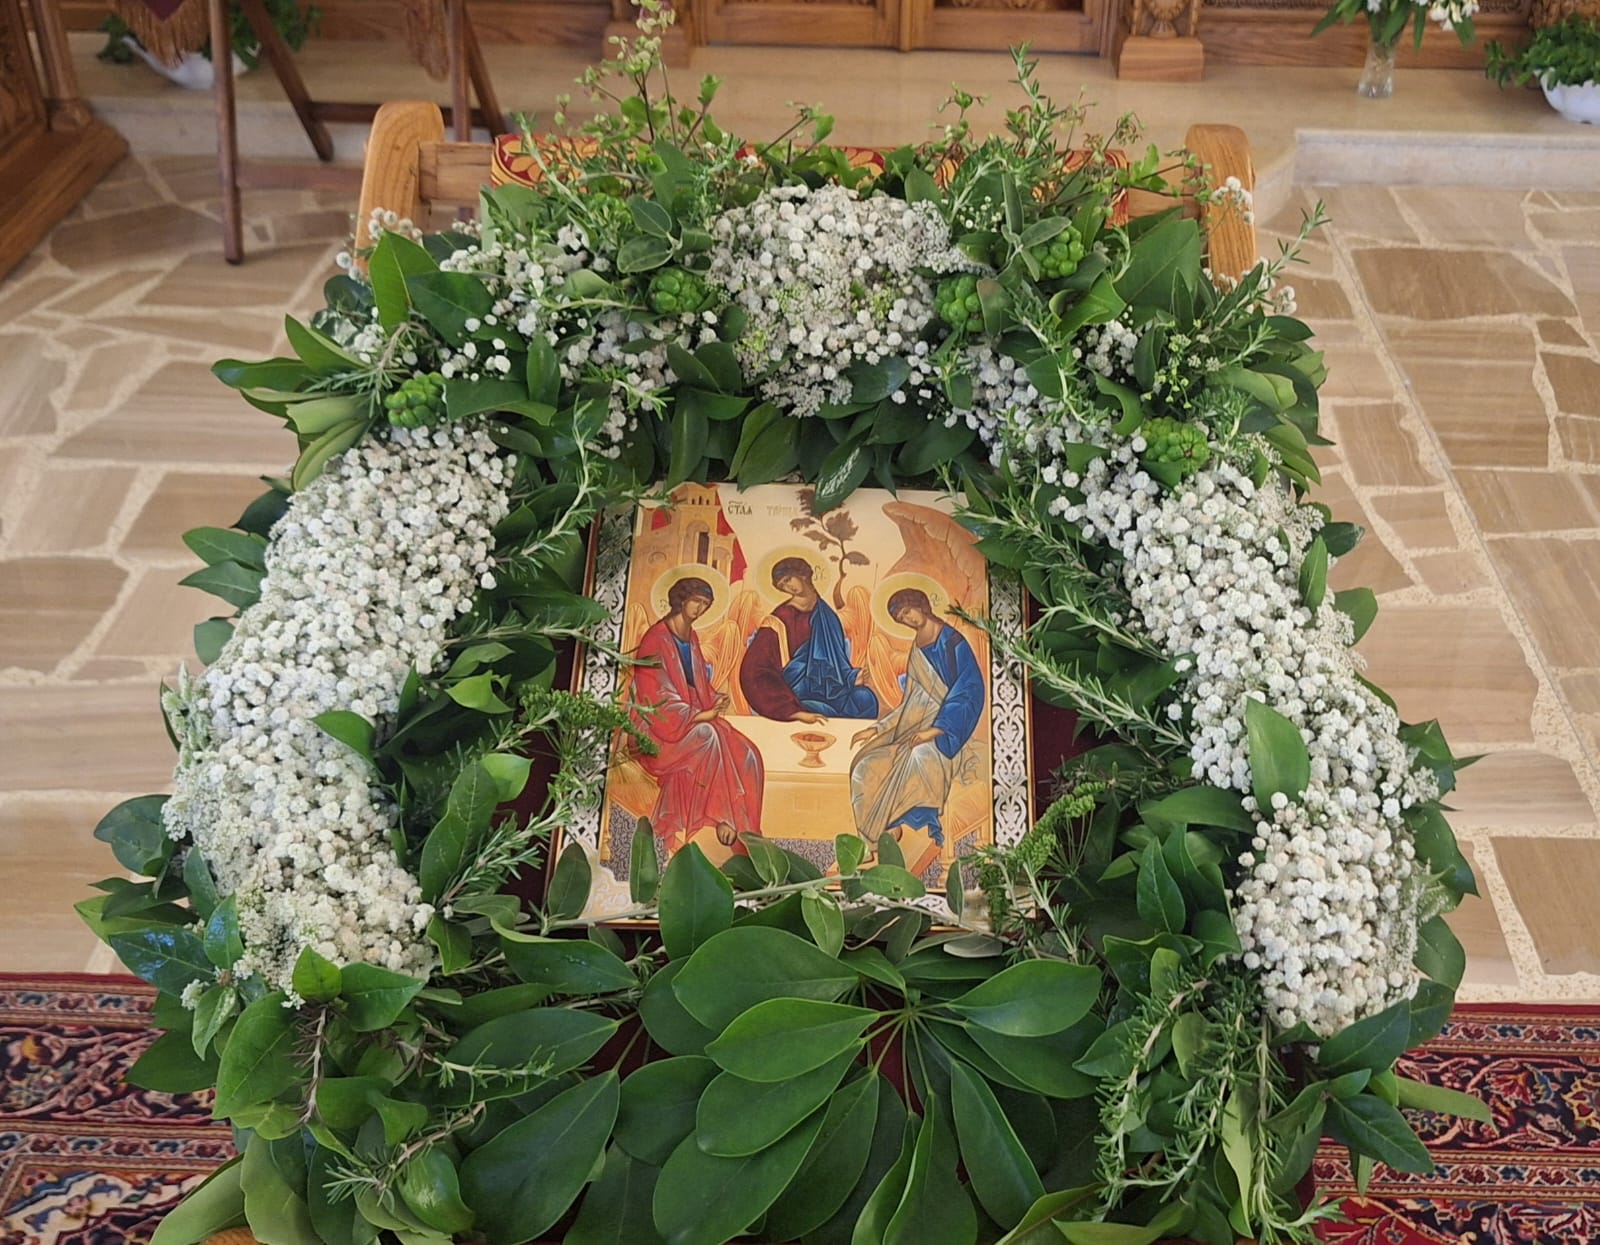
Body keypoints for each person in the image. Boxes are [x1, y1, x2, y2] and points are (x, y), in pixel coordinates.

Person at [629, 576, 765, 853]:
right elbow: (655, 696)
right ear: (681, 599)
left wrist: (714, 699)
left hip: (690, 715)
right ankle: (723, 817)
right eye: (696, 601)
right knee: (708, 735)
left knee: (748, 753)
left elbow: (698, 684)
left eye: (705, 604)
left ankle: (749, 837)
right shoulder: (655, 640)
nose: (700, 609)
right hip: (656, 727)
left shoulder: (690, 637)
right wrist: (699, 715)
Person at [848, 588, 983, 853]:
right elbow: (910, 702)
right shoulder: (917, 650)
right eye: (901, 618)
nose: (907, 620)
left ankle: (889, 825)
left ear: (921, 605)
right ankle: (875, 836)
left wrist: (935, 730)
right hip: (914, 728)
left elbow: (970, 690)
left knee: (917, 758)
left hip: (948, 734)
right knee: (865, 765)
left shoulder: (953, 642)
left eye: (907, 612)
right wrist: (877, 728)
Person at [740, 557, 880, 723]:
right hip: (798, 692)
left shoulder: (827, 616)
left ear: (803, 574)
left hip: (831, 690)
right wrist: (793, 712)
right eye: (782, 585)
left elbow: (838, 662)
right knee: (821, 711)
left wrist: (853, 677)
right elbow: (753, 670)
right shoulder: (780, 619)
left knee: (865, 699)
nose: (788, 587)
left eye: (788, 579)